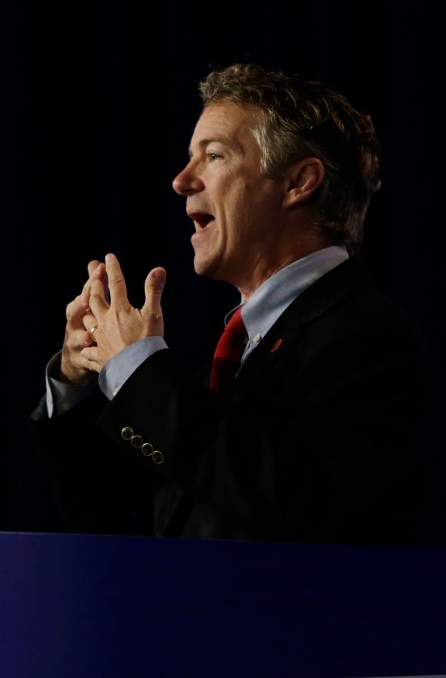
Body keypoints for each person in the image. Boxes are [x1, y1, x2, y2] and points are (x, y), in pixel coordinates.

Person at [30, 62, 446, 547]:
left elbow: (291, 506)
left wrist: (139, 372)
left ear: (298, 182)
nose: (181, 180)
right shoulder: (239, 351)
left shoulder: (369, 337)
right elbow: (131, 524)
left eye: (214, 155)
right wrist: (77, 385)